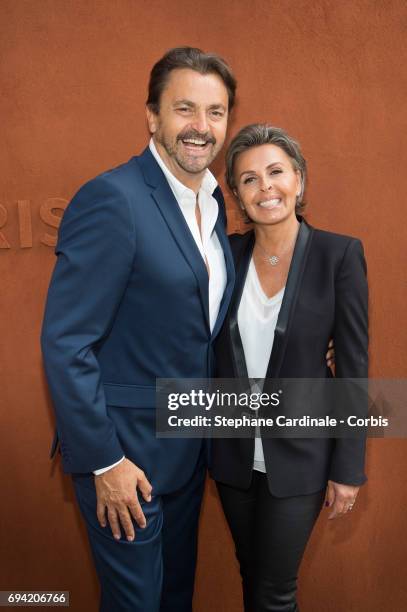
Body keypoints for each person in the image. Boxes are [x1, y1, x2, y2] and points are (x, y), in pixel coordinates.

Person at [40, 47, 237, 612]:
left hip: (186, 451)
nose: (201, 127)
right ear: (153, 116)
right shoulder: (114, 199)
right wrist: (104, 462)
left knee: (174, 598)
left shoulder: (214, 205)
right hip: (124, 459)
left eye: (216, 112)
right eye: (185, 109)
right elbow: (66, 342)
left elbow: (197, 331)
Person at [210, 124, 368, 612]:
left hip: (300, 458)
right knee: (252, 576)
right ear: (236, 193)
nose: (266, 188)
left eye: (276, 172)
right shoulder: (224, 255)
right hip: (233, 457)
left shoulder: (338, 254)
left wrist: (349, 470)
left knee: (275, 591)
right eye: (249, 179)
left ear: (298, 179)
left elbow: (354, 367)